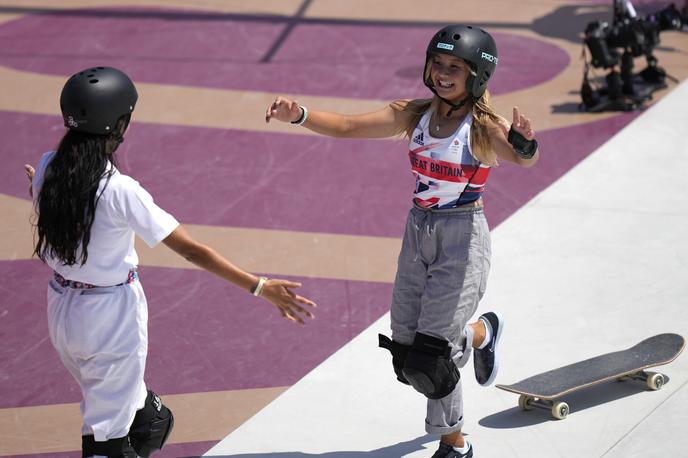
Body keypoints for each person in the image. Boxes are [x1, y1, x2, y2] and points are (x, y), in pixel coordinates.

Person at [265, 24, 539, 458]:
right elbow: (348, 127)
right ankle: (483, 333)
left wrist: (525, 145)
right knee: (407, 350)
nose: (444, 73)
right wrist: (298, 113)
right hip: (418, 230)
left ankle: (455, 444)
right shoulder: (415, 114)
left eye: (455, 67)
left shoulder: (483, 126)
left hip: (462, 236)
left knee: (431, 358)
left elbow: (521, 157)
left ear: (478, 75)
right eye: (438, 63)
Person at [24, 66, 317, 458]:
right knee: (105, 439)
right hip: (109, 317)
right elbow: (192, 250)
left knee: (149, 422)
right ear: (121, 123)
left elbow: (62, 210)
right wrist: (260, 287)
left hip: (62, 310)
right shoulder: (120, 190)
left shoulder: (47, 168)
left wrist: (36, 188)